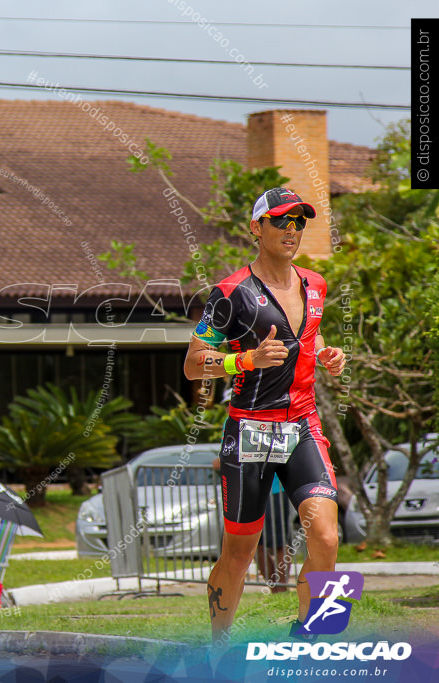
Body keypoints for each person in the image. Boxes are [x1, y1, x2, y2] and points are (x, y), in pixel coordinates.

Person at [183, 187, 346, 642]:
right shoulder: (229, 293)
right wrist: (244, 361)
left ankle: (309, 634)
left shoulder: (315, 284)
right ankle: (217, 648)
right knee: (238, 553)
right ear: (256, 228)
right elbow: (193, 362)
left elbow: (307, 340)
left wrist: (329, 355)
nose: (291, 230)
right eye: (280, 221)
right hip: (249, 429)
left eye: (299, 222)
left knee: (327, 538)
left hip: (302, 424)